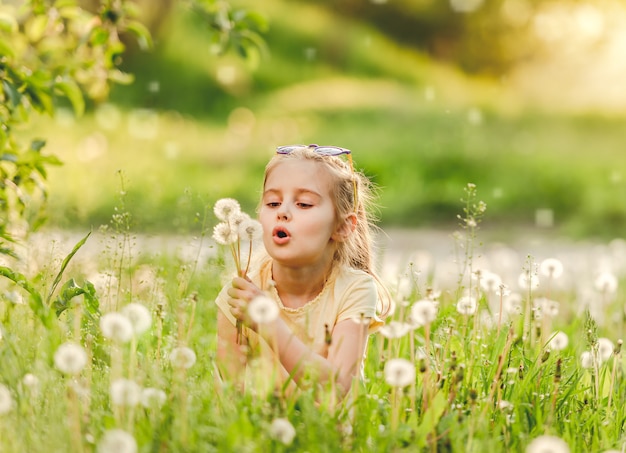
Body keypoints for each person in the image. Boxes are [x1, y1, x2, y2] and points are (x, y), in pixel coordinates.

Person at [215, 144, 391, 399]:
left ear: (342, 226)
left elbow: (338, 387)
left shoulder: (355, 290)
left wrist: (269, 323)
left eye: (304, 204)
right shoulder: (241, 295)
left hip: (333, 434)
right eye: (273, 202)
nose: (283, 212)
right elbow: (228, 395)